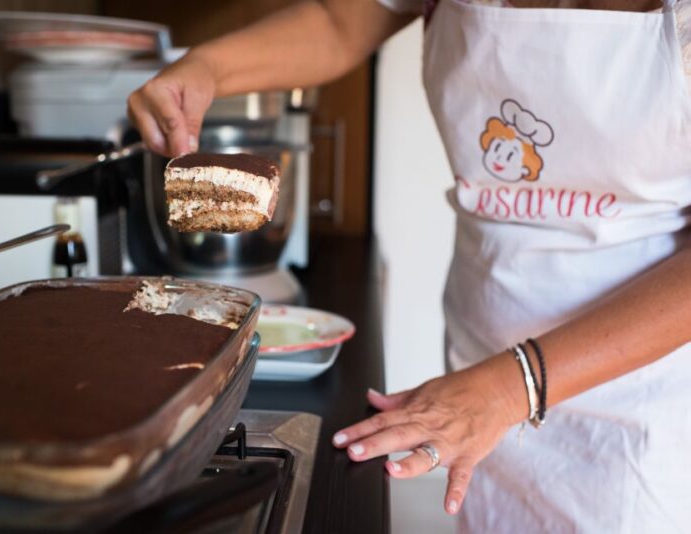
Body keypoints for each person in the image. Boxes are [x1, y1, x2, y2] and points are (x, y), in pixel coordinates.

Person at [128, 0, 691, 531]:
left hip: (634, 404)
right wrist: (203, 69)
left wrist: (511, 387)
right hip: (473, 377)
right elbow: (338, 21)